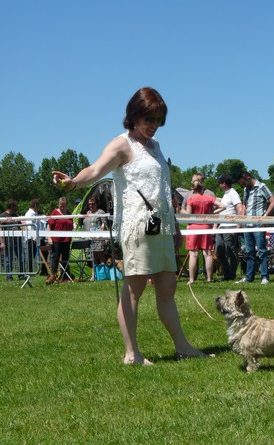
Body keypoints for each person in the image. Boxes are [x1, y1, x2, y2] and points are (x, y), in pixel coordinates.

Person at [52, 87, 204, 365]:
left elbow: (161, 188)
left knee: (168, 287)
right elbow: (95, 170)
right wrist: (73, 182)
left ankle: (182, 345)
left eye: (158, 120)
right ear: (134, 116)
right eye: (149, 119)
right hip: (137, 228)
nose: (154, 126)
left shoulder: (155, 147)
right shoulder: (121, 145)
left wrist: (175, 228)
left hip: (162, 227)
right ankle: (132, 353)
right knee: (133, 290)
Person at [237, 171, 274, 285]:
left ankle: (264, 277)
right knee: (249, 252)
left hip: (258, 225)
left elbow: (273, 202)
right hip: (247, 225)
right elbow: (244, 205)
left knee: (261, 251)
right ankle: (249, 277)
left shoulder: (262, 186)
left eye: (244, 183)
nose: (243, 186)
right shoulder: (246, 190)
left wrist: (265, 217)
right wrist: (241, 219)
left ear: (248, 177)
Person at [185, 173, 224, 283]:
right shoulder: (209, 198)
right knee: (207, 254)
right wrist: (211, 213)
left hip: (193, 227)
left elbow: (188, 216)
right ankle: (209, 278)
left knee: (193, 254)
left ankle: (192, 279)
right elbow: (223, 206)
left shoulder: (191, 199)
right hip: (206, 227)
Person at [215, 174, 243, 280]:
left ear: (224, 183)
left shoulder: (233, 193)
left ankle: (231, 274)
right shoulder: (225, 195)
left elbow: (239, 208)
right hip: (221, 227)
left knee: (231, 251)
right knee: (220, 249)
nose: (218, 185)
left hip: (230, 226)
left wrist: (238, 225)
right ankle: (227, 273)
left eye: (220, 183)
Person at [46, 197, 74, 284]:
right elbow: (49, 225)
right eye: (61, 205)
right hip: (56, 240)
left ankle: (65, 277)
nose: (62, 206)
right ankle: (52, 276)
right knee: (55, 258)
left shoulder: (69, 213)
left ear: (66, 205)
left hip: (66, 239)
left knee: (65, 258)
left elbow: (71, 225)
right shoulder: (55, 212)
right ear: (58, 204)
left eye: (64, 205)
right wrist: (49, 237)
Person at [0, 199, 26, 280]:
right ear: (11, 206)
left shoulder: (15, 215)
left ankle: (21, 275)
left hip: (18, 241)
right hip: (8, 242)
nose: (17, 207)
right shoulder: (2, 216)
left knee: (22, 258)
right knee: (9, 260)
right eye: (16, 206)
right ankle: (9, 276)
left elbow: (20, 227)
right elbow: (0, 230)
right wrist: (2, 242)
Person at [83, 196, 107, 277]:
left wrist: (101, 233)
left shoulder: (101, 212)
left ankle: (103, 274)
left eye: (93, 204)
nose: (91, 205)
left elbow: (104, 224)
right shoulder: (88, 213)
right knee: (93, 257)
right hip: (90, 238)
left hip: (99, 237)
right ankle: (94, 275)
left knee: (100, 255)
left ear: (96, 204)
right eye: (89, 204)